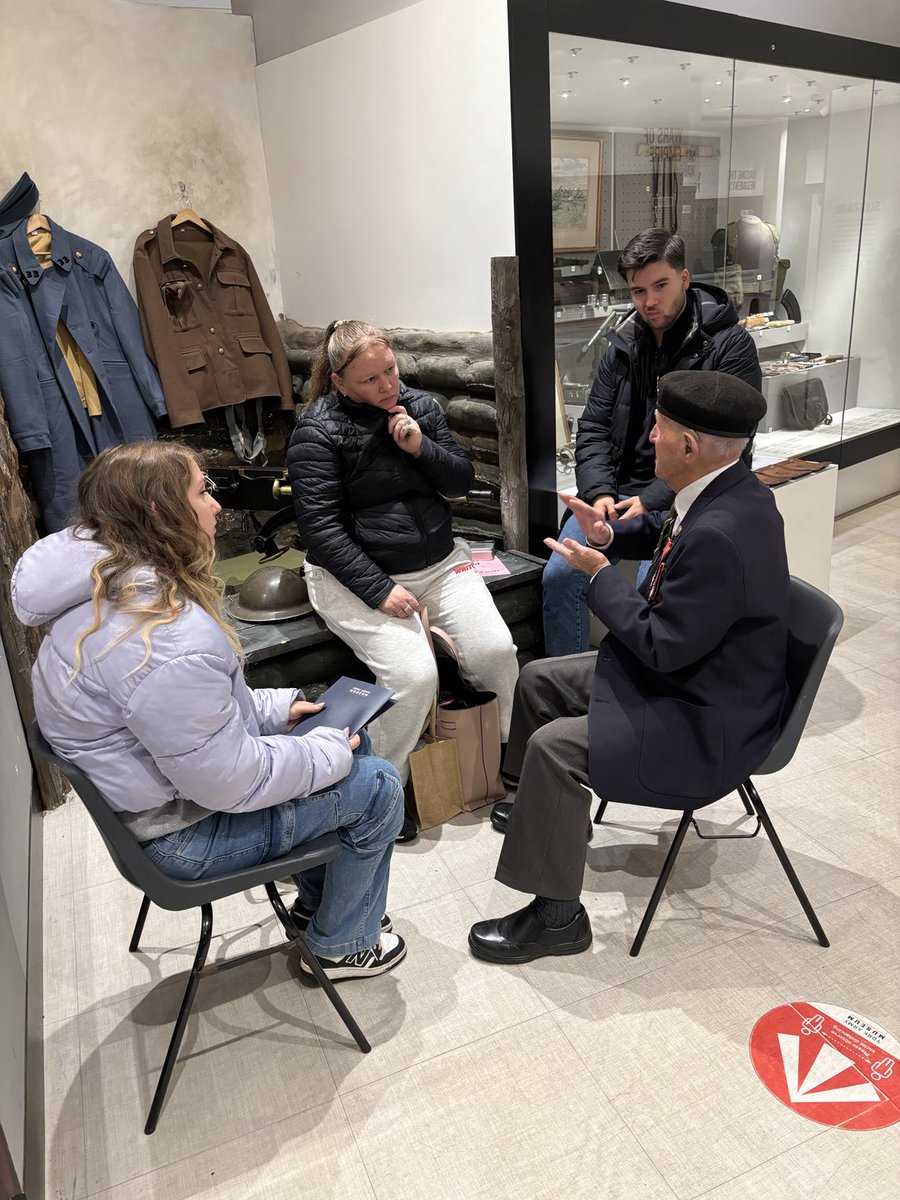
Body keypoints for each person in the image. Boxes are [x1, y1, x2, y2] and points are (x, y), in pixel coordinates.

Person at [12, 442, 406, 981]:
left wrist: (280, 710)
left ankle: (321, 907)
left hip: (160, 807)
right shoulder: (162, 637)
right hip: (184, 839)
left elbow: (195, 721)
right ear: (159, 513)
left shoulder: (100, 594)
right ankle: (343, 945)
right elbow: (229, 783)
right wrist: (325, 750)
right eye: (202, 492)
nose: (217, 506)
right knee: (379, 784)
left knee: (345, 739)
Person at [470, 372, 788, 964]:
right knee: (539, 679)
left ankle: (557, 918)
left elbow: (661, 646)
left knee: (554, 749)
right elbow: (670, 538)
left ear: (689, 446)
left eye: (659, 427)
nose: (650, 436)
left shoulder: (723, 529)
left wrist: (597, 576)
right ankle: (543, 817)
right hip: (694, 680)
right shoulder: (726, 491)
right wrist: (611, 533)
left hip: (705, 719)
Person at [286, 320, 519, 827]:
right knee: (413, 678)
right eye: (371, 380)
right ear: (339, 381)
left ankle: (508, 763)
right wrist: (378, 589)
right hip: (353, 575)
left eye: (390, 370)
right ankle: (378, 790)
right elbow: (319, 528)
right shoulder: (317, 430)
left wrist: (420, 449)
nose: (388, 385)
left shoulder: (422, 407)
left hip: (439, 563)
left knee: (495, 651)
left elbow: (460, 481)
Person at [542, 228, 762, 658]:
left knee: (654, 591)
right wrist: (600, 491)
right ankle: (563, 685)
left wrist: (654, 497)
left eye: (660, 286)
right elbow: (593, 427)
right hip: (619, 489)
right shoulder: (622, 343)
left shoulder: (729, 345)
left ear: (684, 278)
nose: (649, 301)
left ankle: (634, 696)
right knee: (558, 577)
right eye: (638, 290)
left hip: (685, 495)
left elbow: (731, 446)